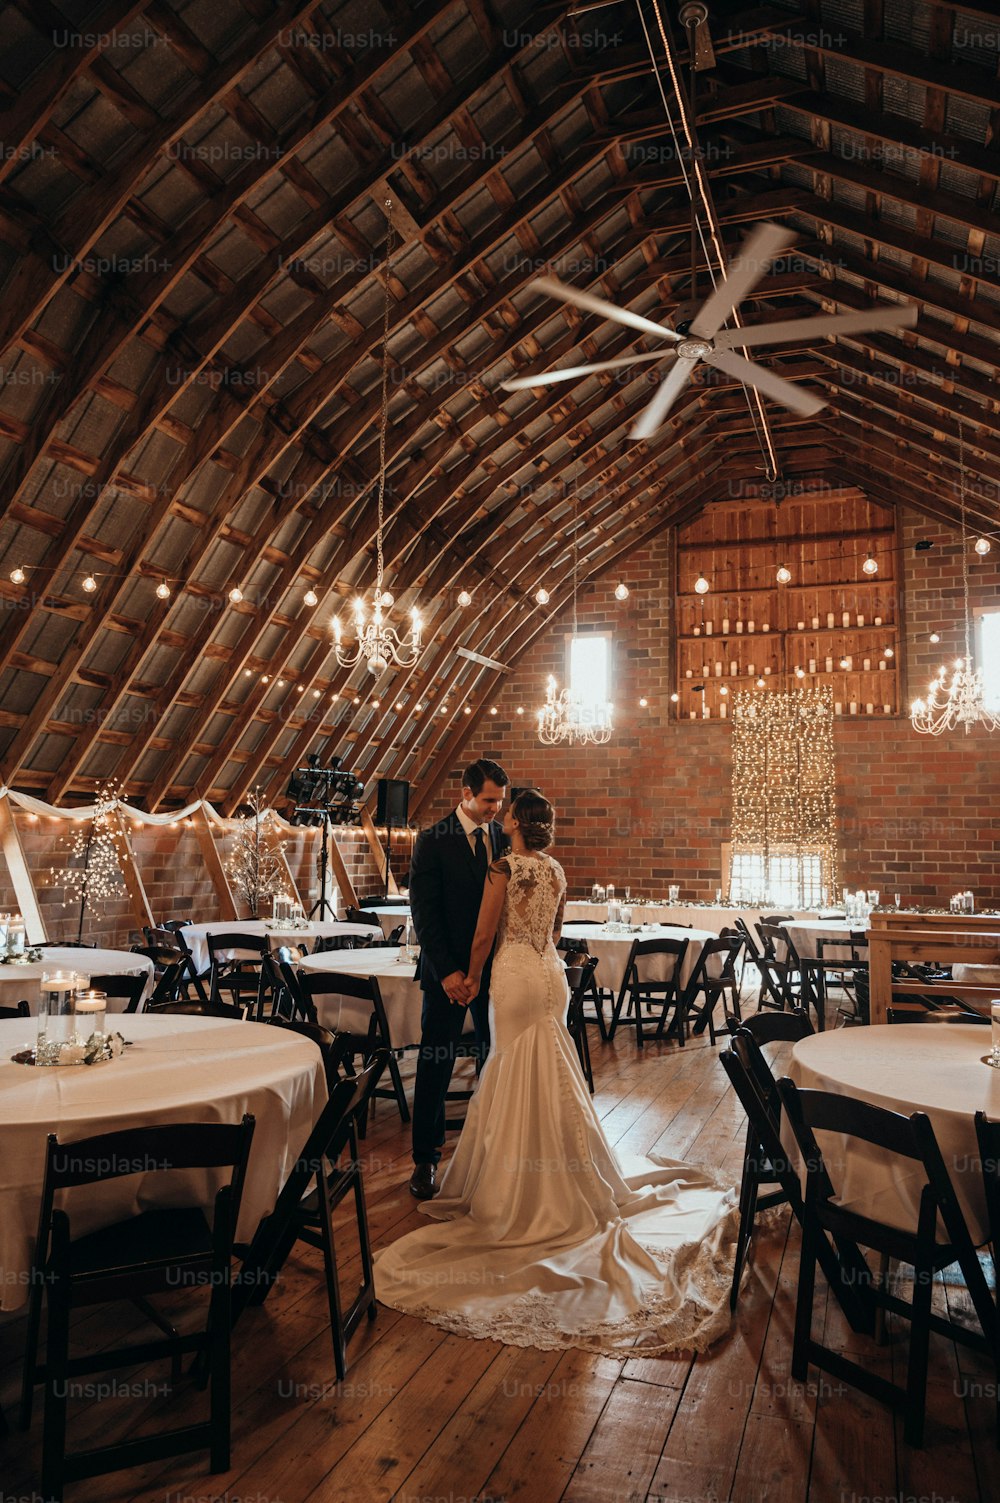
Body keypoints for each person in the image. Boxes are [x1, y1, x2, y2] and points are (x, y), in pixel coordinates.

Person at [375, 790, 739, 1356]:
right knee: (548, 1065)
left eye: (508, 811)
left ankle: (518, 1188)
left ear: (515, 822)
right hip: (550, 976)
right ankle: (564, 1175)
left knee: (513, 1067)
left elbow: (483, 936)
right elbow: (554, 936)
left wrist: (470, 977)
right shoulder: (555, 870)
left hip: (514, 976)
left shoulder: (505, 866)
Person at [406, 756, 510, 1200]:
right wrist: (450, 972)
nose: (495, 810)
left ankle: (484, 1153)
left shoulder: (501, 838)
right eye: (489, 800)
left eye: (500, 802)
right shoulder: (433, 840)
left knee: (492, 1059)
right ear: (465, 794)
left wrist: (482, 968)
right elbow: (424, 914)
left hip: (491, 973)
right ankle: (426, 1160)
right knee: (435, 1064)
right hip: (445, 974)